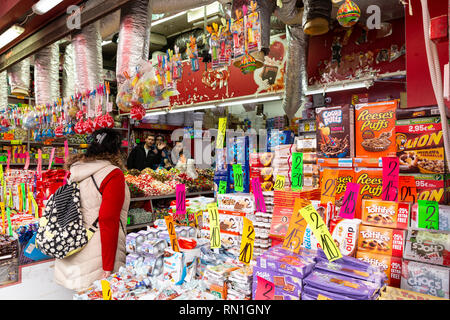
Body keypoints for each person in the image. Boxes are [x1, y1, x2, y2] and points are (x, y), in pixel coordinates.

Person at [54, 128, 130, 291]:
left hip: (74, 247)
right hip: (99, 255)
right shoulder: (112, 174)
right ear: (116, 150)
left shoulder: (75, 171)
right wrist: (108, 265)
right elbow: (108, 220)